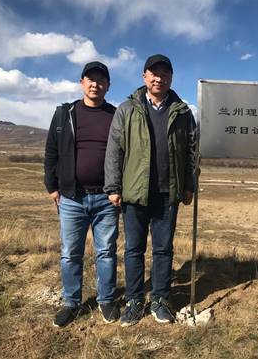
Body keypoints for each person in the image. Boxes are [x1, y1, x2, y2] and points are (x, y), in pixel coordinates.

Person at [104, 54, 196, 326]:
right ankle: (134, 301)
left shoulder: (182, 112)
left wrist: (189, 185)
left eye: (165, 74)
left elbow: (192, 152)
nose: (159, 78)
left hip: (168, 193)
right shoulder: (127, 109)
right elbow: (114, 150)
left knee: (163, 250)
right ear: (144, 76)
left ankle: (160, 299)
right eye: (154, 73)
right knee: (134, 249)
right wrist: (113, 186)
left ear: (171, 78)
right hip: (134, 193)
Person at [44, 61, 119, 327]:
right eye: (90, 79)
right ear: (81, 82)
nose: (95, 84)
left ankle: (106, 300)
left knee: (106, 252)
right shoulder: (65, 114)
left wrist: (118, 189)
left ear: (108, 85)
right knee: (70, 253)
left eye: (101, 80)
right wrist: (52, 186)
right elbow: (51, 151)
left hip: (107, 199)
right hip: (71, 197)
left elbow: (124, 153)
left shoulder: (116, 115)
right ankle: (71, 303)